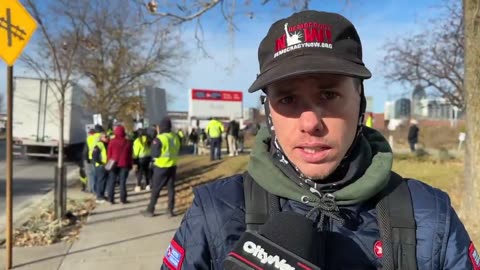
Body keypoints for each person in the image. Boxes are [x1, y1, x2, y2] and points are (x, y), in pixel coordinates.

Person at [160, 10, 475, 269]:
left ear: (360, 102)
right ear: (267, 112)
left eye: (329, 94)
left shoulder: (431, 216)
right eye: (287, 99)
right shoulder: (215, 212)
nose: (310, 123)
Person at [141, 117, 181, 218]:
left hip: (161, 167)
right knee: (171, 188)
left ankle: (150, 209)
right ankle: (170, 210)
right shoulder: (175, 137)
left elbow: (155, 154)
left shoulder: (160, 138)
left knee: (156, 189)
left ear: (162, 127)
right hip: (172, 165)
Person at [106, 125, 133, 204]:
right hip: (124, 164)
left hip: (113, 164)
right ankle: (123, 199)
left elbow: (109, 154)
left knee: (111, 181)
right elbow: (130, 155)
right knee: (122, 182)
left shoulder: (112, 142)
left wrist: (108, 164)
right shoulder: (128, 142)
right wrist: (130, 165)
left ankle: (111, 199)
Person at [92, 129, 109, 203]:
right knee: (101, 180)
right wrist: (100, 162)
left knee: (104, 180)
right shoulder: (99, 144)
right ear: (101, 137)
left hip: (106, 165)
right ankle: (99, 196)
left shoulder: (106, 144)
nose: (107, 138)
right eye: (105, 137)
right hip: (100, 165)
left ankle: (102, 195)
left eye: (107, 136)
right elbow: (94, 155)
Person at [83, 128, 98, 193]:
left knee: (90, 175)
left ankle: (92, 189)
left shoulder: (89, 139)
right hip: (95, 159)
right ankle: (94, 189)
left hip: (90, 158)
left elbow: (86, 150)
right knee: (94, 174)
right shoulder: (97, 138)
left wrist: (86, 159)